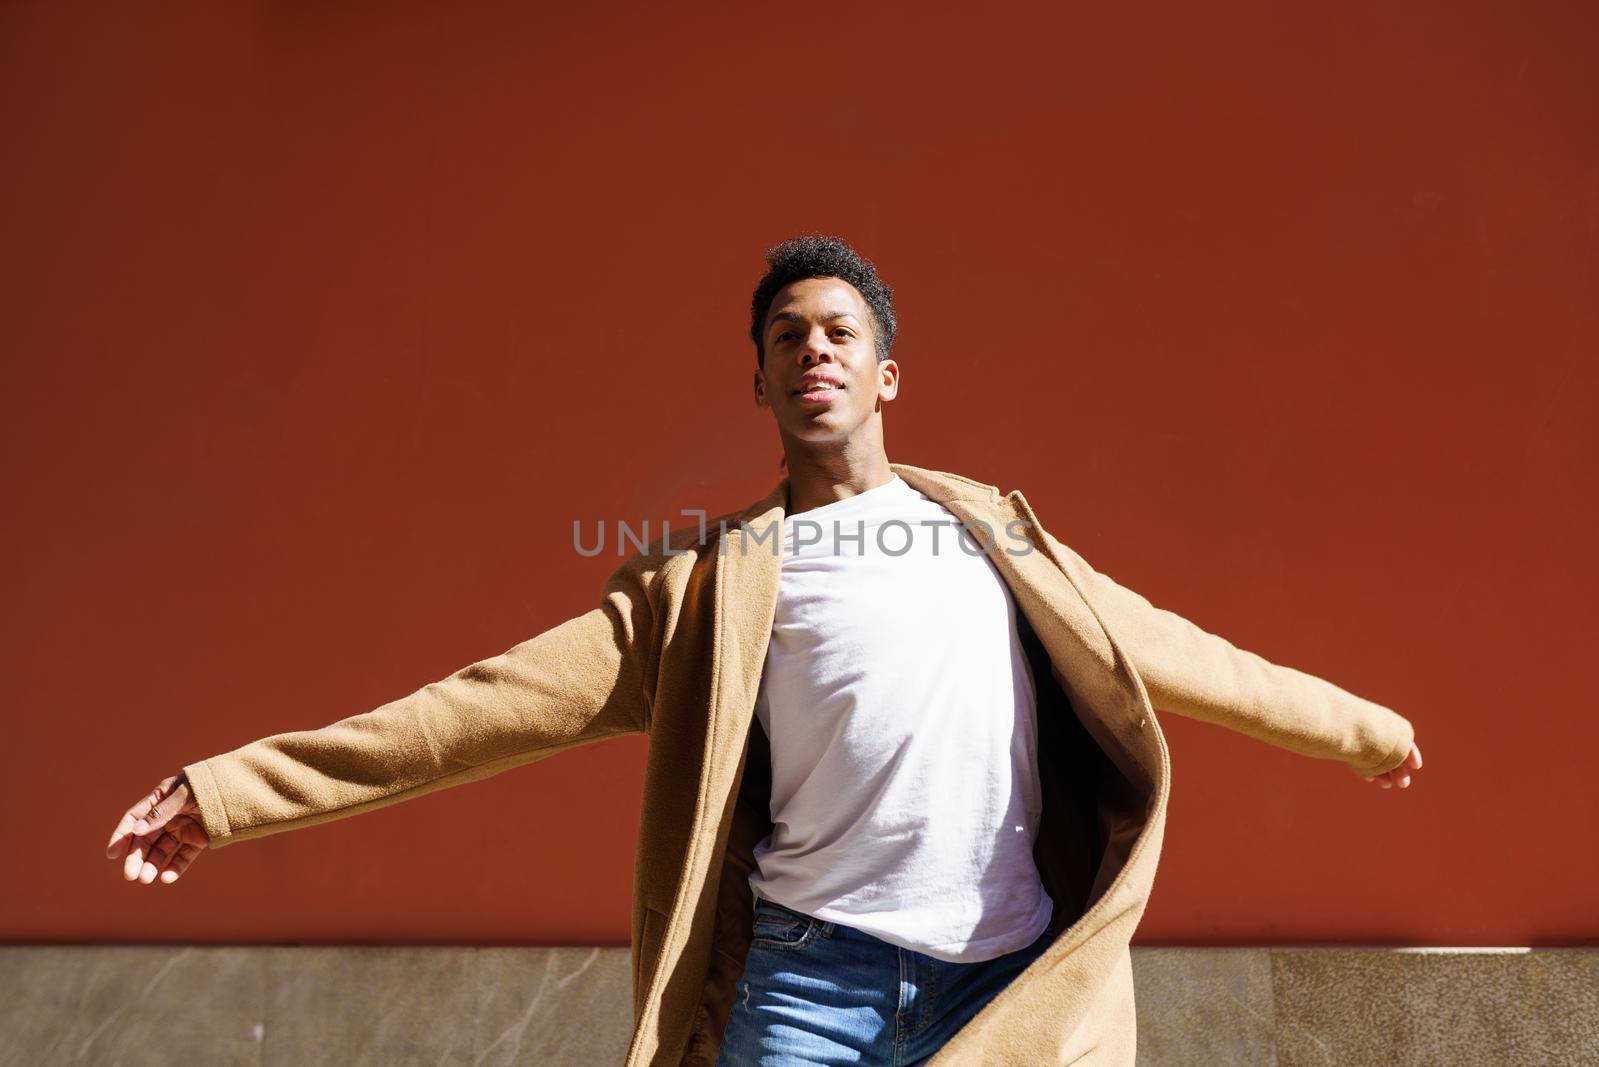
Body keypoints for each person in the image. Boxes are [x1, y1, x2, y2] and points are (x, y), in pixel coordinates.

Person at [105, 234, 1424, 1066]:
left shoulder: (997, 538)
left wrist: (1368, 732)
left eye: (839, 332)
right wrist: (226, 794)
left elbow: (1178, 655)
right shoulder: (712, 586)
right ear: (760, 383)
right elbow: (479, 708)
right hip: (812, 987)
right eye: (786, 337)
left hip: (1013, 982)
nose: (813, 350)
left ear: (886, 376)